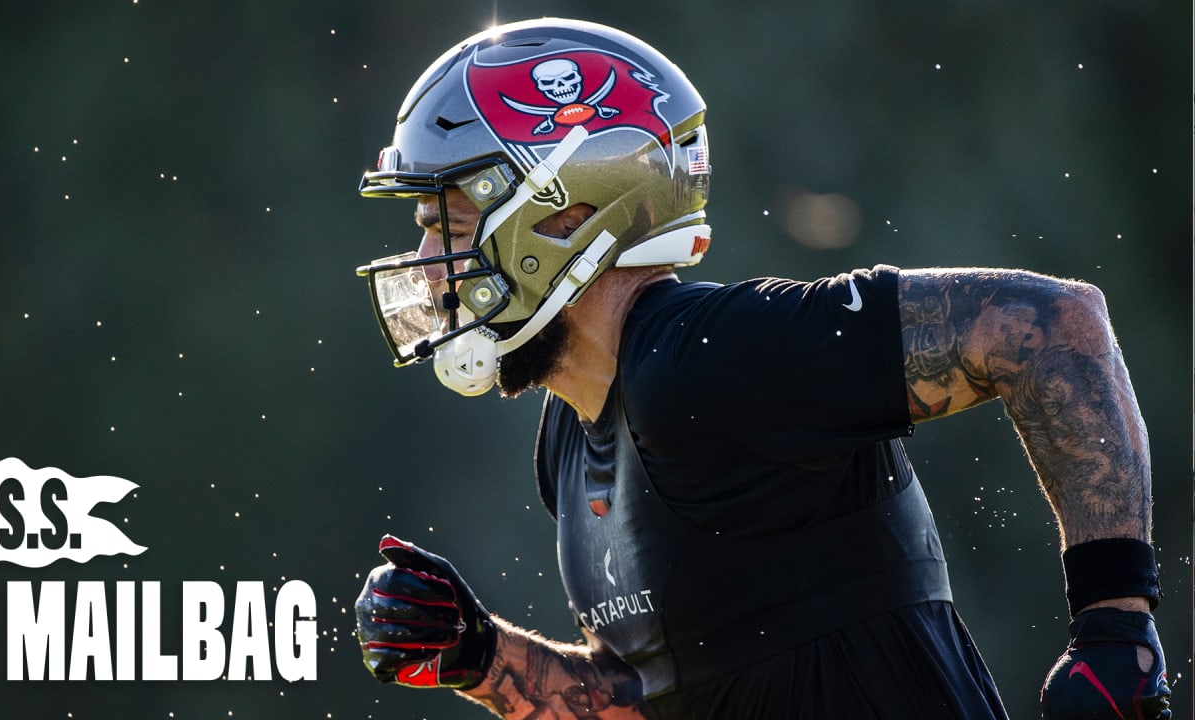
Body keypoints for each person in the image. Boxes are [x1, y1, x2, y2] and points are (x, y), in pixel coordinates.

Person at [351, 17, 1170, 720]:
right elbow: (650, 700)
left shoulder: (710, 360)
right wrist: (480, 659)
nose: (429, 263)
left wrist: (1115, 626)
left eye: (449, 221)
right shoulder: (570, 432)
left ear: (562, 210)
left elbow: (1054, 325)